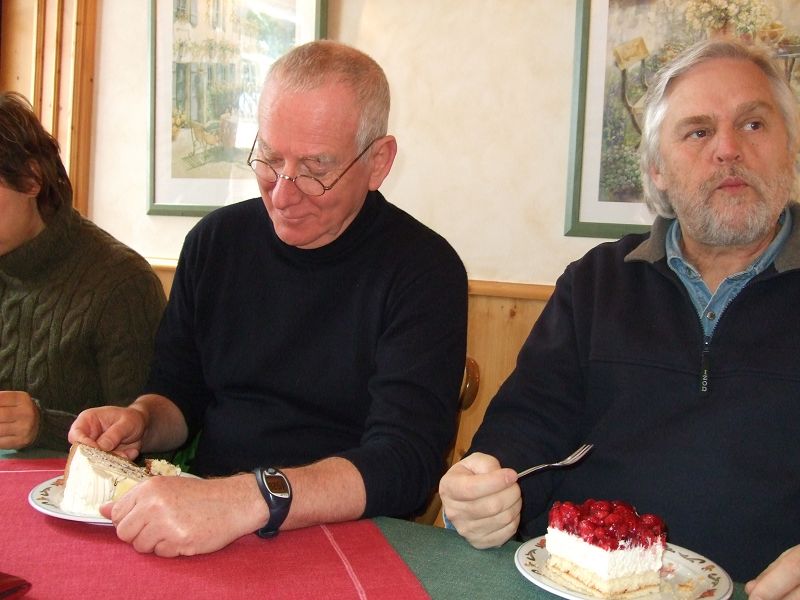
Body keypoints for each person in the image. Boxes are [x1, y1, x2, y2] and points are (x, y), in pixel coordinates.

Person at [69, 40, 468, 556]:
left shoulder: (424, 270)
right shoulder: (215, 243)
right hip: (204, 512)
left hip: (349, 536)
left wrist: (249, 499)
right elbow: (178, 395)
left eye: (316, 168)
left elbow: (404, 463)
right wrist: (141, 420)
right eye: (270, 158)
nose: (282, 193)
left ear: (378, 162)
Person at [439, 38, 800, 591]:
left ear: (790, 149)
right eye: (698, 131)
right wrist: (483, 491)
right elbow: (526, 431)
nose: (728, 149)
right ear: (657, 170)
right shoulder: (595, 282)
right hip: (577, 583)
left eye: (753, 124)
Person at [0, 92, 166, 453]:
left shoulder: (123, 284)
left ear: (31, 179)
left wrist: (44, 426)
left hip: (78, 487)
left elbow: (148, 447)